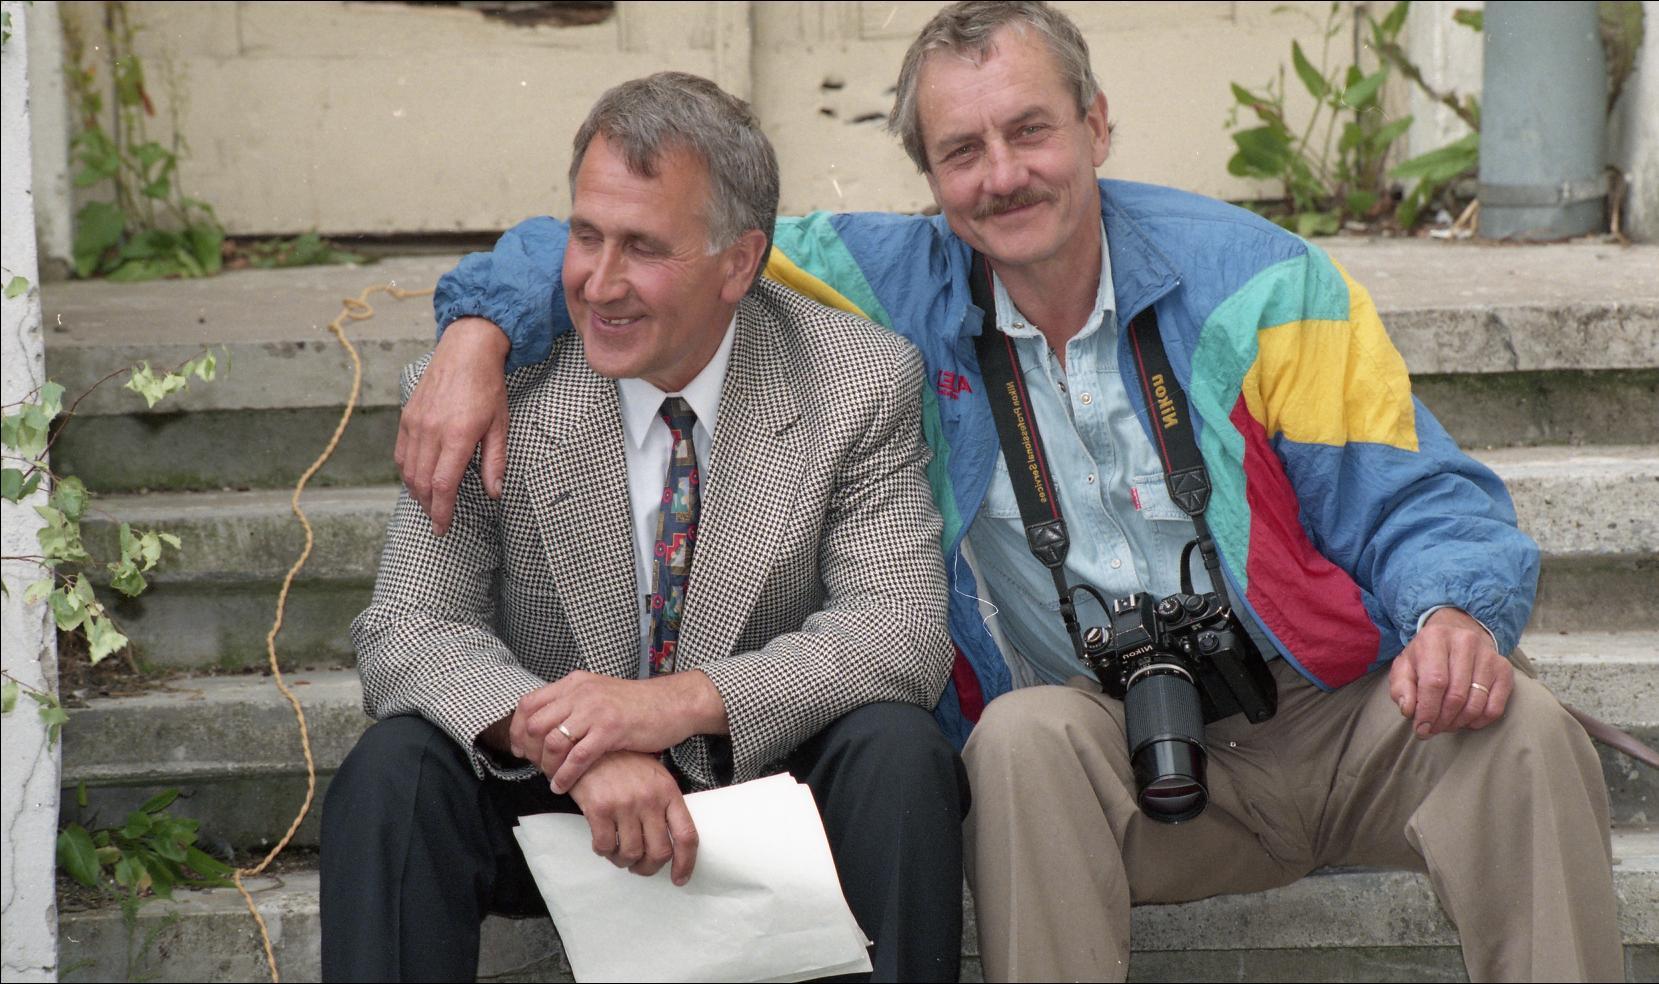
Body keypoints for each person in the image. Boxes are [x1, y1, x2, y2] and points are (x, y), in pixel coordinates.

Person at [393, 4, 1621, 980]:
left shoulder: (1264, 283)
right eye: (961, 151)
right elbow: (646, 237)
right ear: (928, 177)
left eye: (1030, 131)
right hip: (1106, 749)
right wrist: (477, 334)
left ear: (1097, 125)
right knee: (1021, 742)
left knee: (1517, 728)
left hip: (1324, 712)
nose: (1002, 176)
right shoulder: (883, 286)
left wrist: (1452, 612)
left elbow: (1415, 493)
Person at [319, 72, 969, 983]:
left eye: (643, 247)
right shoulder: (496, 387)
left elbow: (898, 632)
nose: (599, 282)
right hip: (553, 804)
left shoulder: (854, 381)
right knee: (392, 773)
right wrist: (575, 748)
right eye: (586, 235)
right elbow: (406, 628)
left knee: (900, 756)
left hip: (761, 791)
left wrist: (672, 706)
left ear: (739, 263)